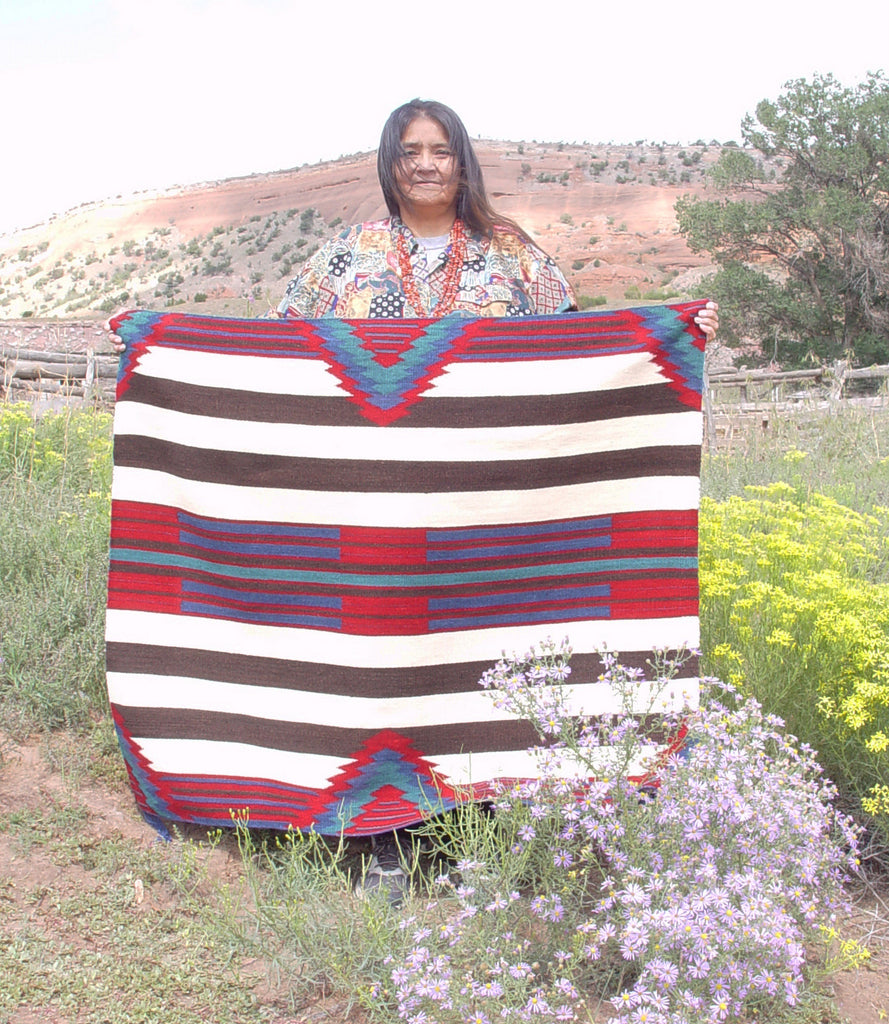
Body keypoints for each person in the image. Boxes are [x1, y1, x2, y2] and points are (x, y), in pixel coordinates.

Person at [107, 99, 718, 900]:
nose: (425, 164)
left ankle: (480, 825)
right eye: (409, 150)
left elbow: (580, 355)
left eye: (439, 150)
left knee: (477, 664)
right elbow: (277, 356)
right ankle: (386, 837)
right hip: (367, 523)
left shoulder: (514, 260)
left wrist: (674, 333)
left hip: (486, 519)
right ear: (388, 163)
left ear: (462, 162)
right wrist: (158, 345)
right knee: (377, 668)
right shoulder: (344, 258)